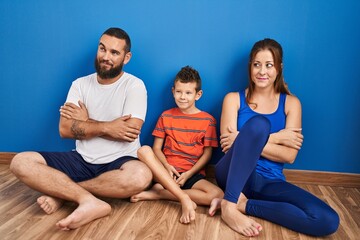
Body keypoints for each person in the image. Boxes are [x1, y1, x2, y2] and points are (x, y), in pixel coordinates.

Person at [10, 27, 153, 230]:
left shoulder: (134, 86)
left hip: (120, 161)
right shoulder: (79, 85)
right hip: (81, 159)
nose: (106, 57)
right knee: (20, 162)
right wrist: (108, 127)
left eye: (114, 52)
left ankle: (64, 195)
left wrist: (87, 121)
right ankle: (89, 200)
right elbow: (65, 130)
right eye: (102, 49)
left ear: (126, 57)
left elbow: (128, 132)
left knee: (141, 176)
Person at [215, 39, 339, 237]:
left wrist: (245, 139)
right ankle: (229, 205)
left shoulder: (292, 103)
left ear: (279, 68)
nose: (262, 71)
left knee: (328, 220)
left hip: (270, 182)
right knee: (259, 124)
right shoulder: (233, 99)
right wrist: (278, 137)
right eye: (257, 65)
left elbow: (289, 156)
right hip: (232, 176)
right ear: (250, 67)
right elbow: (229, 146)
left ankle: (244, 204)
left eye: (269, 65)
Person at [130, 66, 224, 223]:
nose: (182, 97)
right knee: (144, 150)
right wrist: (166, 166)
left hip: (191, 174)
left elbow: (207, 154)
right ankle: (173, 192)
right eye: (179, 92)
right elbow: (156, 149)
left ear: (198, 95)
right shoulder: (166, 116)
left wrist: (189, 173)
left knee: (218, 195)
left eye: (188, 93)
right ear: (173, 91)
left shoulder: (208, 121)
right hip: (166, 172)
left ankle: (159, 194)